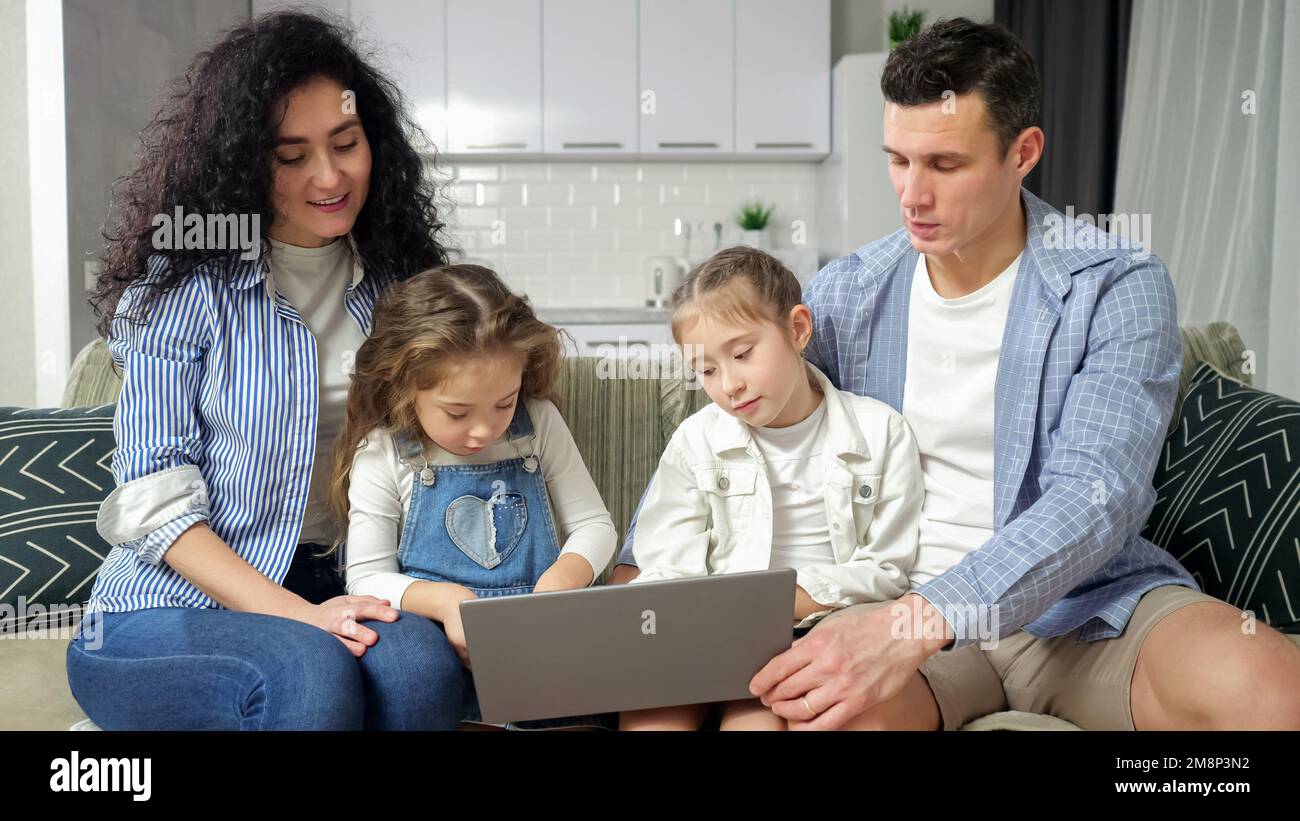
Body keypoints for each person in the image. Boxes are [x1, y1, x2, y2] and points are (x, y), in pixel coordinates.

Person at [614, 18, 1300, 730]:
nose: (912, 195)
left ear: (1022, 152)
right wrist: (639, 568)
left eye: (944, 164)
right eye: (897, 160)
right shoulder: (849, 292)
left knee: (1270, 691)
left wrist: (917, 623)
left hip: (1081, 608)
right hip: (889, 611)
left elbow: (1099, 497)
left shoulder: (1115, 286)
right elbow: (747, 414)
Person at [68, 12, 461, 730]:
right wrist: (300, 616)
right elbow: (155, 500)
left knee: (423, 679)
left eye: (346, 143)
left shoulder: (403, 285)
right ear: (246, 160)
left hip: (346, 575)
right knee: (306, 673)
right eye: (291, 155)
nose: (329, 175)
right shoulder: (180, 289)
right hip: (171, 600)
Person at [619, 247, 923, 730]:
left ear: (797, 330)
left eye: (742, 355)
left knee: (755, 723)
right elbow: (667, 563)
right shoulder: (696, 441)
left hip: (826, 626)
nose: (730, 385)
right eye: (706, 370)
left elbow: (888, 570)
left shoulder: (881, 432)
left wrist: (784, 602)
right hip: (713, 634)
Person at [331, 264, 617, 729]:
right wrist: (449, 603)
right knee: (418, 680)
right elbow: (366, 577)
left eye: (504, 403)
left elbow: (595, 525)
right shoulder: (385, 451)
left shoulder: (538, 423)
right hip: (433, 629)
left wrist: (563, 579)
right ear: (404, 387)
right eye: (457, 412)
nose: (484, 430)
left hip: (535, 624)